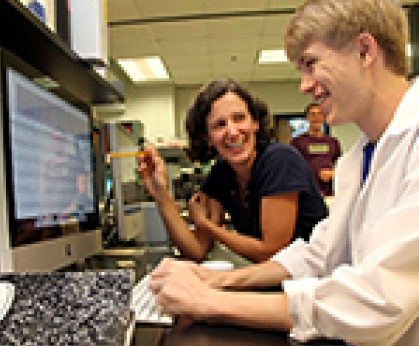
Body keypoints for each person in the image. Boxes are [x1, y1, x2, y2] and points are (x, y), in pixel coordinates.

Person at [147, 0, 419, 346]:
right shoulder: (364, 152)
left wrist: (210, 302)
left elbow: (381, 297)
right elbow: (319, 253)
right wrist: (223, 282)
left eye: (311, 64)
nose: (304, 86)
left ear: (364, 50)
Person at [138, 78, 328, 263]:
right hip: (282, 283)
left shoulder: (279, 160)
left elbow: (272, 253)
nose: (233, 131)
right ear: (207, 138)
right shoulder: (222, 174)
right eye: (219, 125)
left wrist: (205, 225)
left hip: (318, 282)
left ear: (255, 123)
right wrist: (161, 194)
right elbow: (197, 250)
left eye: (239, 118)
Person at [290, 103, 342, 196]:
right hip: (307, 191)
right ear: (307, 118)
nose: (316, 117)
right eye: (312, 114)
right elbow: (292, 167)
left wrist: (333, 173)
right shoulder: (297, 142)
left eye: (320, 114)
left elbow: (339, 164)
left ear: (324, 117)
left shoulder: (333, 142)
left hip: (329, 192)